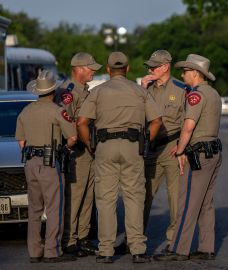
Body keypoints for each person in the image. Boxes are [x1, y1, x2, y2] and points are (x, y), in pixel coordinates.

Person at [76, 51, 162, 264]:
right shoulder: (138, 91)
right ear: (127, 68)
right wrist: (146, 142)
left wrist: (91, 145)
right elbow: (157, 121)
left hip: (104, 147)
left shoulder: (98, 92)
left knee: (106, 200)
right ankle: (138, 249)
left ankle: (105, 250)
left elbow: (81, 122)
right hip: (133, 146)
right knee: (134, 197)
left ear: (107, 69)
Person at [154, 54, 222, 261]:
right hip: (213, 150)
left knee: (187, 203)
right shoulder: (214, 93)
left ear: (195, 73)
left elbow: (188, 127)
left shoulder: (196, 95)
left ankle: (177, 249)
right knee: (205, 202)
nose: (182, 74)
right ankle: (206, 247)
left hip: (198, 153)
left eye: (185, 71)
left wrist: (181, 150)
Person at [15, 70, 77, 263]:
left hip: (30, 162)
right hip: (50, 161)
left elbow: (22, 143)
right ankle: (52, 250)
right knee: (54, 207)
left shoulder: (25, 111)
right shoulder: (57, 111)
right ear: (53, 91)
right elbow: (73, 138)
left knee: (34, 208)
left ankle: (34, 251)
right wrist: (64, 149)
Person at [141, 50, 189, 251]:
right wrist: (142, 89)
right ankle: (135, 240)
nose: (150, 69)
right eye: (150, 66)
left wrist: (183, 148)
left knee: (175, 198)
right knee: (142, 195)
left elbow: (190, 120)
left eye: (154, 66)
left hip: (172, 147)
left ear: (165, 67)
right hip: (150, 148)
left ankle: (173, 242)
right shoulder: (147, 88)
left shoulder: (181, 89)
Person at [57, 52, 101, 257]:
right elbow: (67, 123)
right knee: (74, 197)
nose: (93, 71)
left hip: (88, 150)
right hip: (76, 151)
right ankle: (69, 239)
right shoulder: (68, 91)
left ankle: (83, 237)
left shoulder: (84, 90)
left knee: (87, 195)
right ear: (79, 68)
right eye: (90, 67)